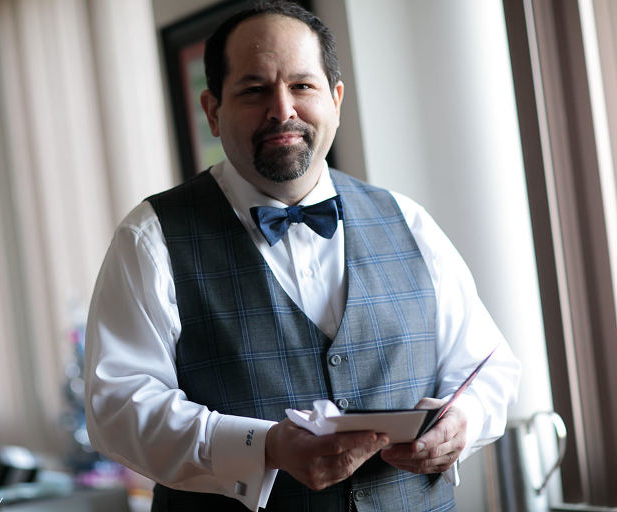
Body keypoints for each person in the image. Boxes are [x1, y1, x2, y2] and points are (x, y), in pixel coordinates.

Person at [84, 2, 521, 511]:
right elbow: (117, 408)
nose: (282, 109)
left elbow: (489, 367)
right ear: (212, 111)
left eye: (302, 86)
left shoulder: (408, 220)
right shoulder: (151, 237)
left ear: (335, 99)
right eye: (254, 90)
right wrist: (262, 447)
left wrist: (463, 422)